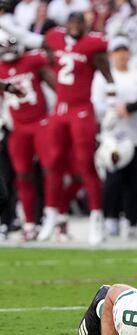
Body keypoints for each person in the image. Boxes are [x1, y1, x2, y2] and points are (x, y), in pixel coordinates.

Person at [39, 12, 115, 245]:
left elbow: (108, 75)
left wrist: (112, 111)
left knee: (85, 164)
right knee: (53, 162)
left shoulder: (94, 44)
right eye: (71, 23)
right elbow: (38, 47)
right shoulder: (55, 37)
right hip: (60, 109)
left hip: (82, 110)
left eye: (79, 23)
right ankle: (51, 214)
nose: (74, 27)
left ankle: (96, 218)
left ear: (85, 25)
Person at [92, 36, 137, 239]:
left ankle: (134, 221)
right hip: (111, 138)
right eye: (118, 51)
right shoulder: (104, 77)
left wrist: (131, 109)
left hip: (135, 135)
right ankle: (111, 219)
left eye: (125, 51)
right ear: (111, 55)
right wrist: (111, 112)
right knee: (113, 181)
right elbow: (97, 104)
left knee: (136, 181)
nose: (122, 55)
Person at [0, 31, 55, 241]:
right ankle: (29, 223)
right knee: (22, 175)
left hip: (40, 122)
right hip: (17, 127)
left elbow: (55, 81)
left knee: (50, 169)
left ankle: (53, 215)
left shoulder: (32, 60)